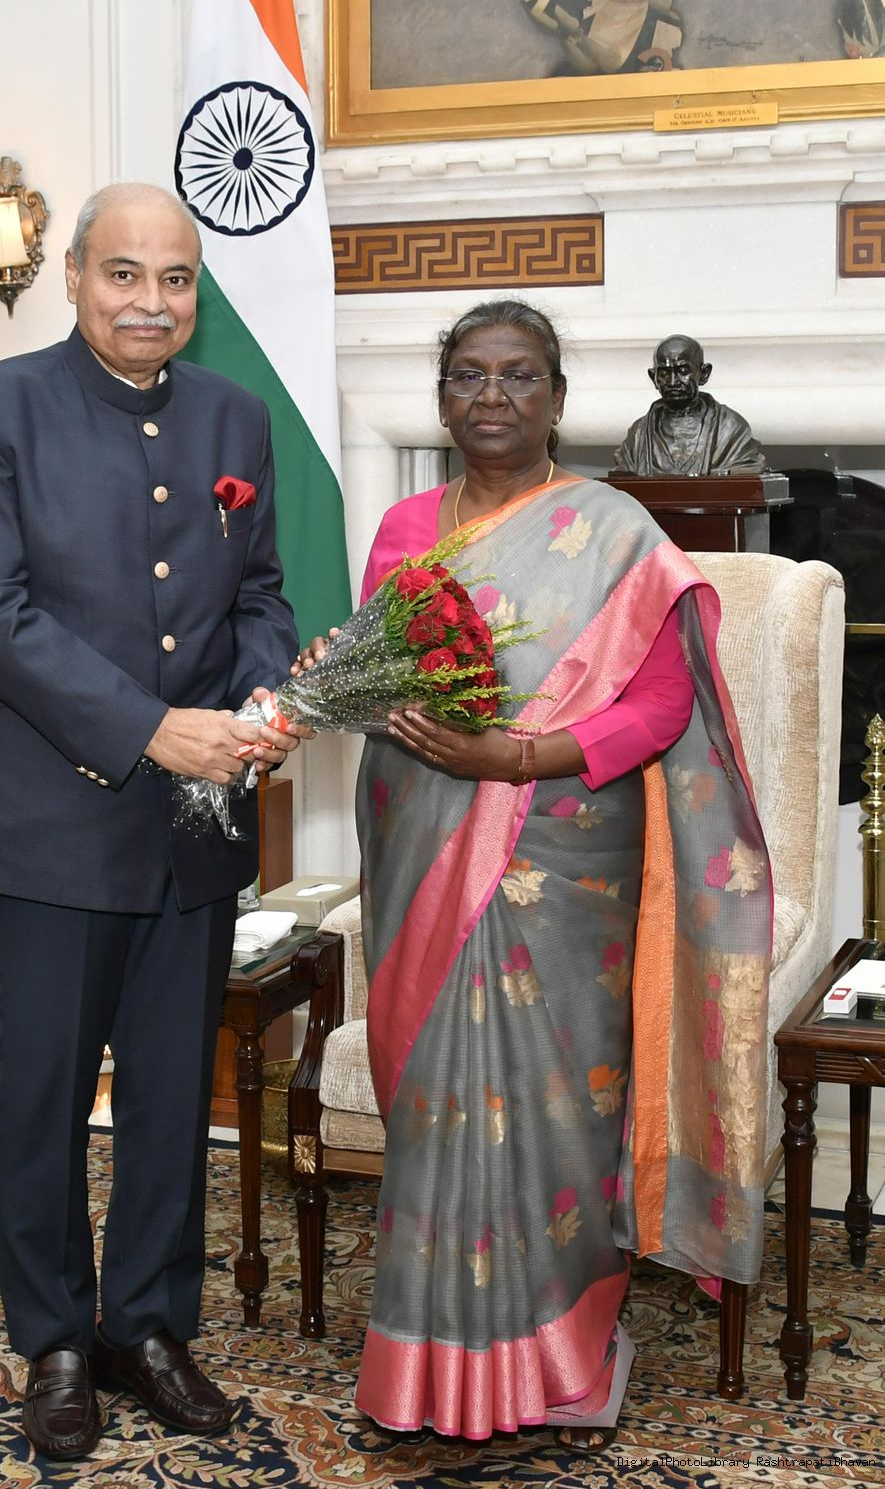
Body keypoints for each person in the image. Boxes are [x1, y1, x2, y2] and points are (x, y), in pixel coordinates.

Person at [303, 299, 772, 1450]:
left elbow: (660, 706)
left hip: (564, 859)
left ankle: (564, 1355)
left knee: (560, 1105)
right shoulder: (404, 528)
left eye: (518, 375)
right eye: (468, 375)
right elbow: (384, 685)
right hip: (422, 843)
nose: (492, 396)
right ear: (442, 397)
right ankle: (424, 1367)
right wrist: (330, 683)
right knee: (437, 1105)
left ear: (557, 397)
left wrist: (514, 757)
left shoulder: (615, 532)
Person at [0, 183, 301, 1461]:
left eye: (175, 279)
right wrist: (152, 727)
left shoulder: (235, 415)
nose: (151, 301)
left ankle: (147, 1324)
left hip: (194, 824)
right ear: (75, 275)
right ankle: (53, 1337)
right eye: (124, 274)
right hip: (52, 820)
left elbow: (260, 592)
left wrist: (263, 695)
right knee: (40, 1094)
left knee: (169, 1092)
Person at [612, 334, 766, 476]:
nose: (673, 382)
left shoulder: (730, 428)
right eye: (664, 373)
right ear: (653, 377)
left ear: (704, 373)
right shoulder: (638, 434)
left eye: (683, 371)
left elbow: (747, 472)